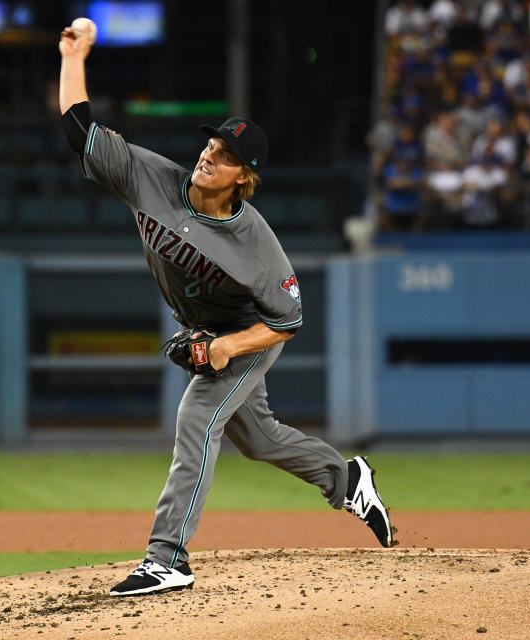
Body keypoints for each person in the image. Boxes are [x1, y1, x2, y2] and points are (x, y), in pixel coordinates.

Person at [57, 23, 397, 598]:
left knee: (197, 420)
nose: (210, 155)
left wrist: (226, 347)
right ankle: (347, 479)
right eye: (211, 145)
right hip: (205, 326)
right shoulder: (152, 178)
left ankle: (167, 558)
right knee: (258, 438)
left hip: (245, 333)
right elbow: (78, 129)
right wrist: (74, 55)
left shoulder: (255, 246)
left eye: (226, 155)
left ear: (246, 176)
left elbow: (288, 319)